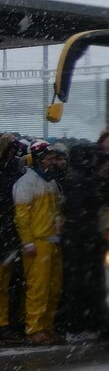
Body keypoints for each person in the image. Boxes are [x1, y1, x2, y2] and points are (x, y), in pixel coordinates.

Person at [13, 140, 66, 345]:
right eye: (49, 159)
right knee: (38, 288)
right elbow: (21, 218)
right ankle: (34, 329)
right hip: (38, 243)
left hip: (53, 241)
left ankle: (46, 327)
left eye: (53, 158)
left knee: (53, 288)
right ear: (38, 159)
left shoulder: (51, 181)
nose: (52, 162)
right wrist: (27, 242)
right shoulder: (26, 183)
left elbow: (58, 208)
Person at [58, 142, 104, 341]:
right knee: (79, 284)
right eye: (91, 156)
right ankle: (76, 327)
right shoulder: (79, 180)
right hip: (81, 239)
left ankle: (78, 325)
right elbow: (78, 212)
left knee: (79, 283)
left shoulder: (78, 178)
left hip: (79, 238)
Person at [0, 133, 26, 345]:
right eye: (9, 148)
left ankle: (7, 323)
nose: (12, 152)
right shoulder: (11, 172)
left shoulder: (13, 170)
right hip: (7, 232)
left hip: (9, 232)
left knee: (9, 282)